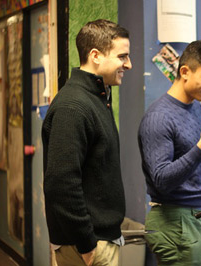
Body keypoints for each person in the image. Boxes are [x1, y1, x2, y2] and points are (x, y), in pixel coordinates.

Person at [138, 40, 201, 266]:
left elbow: (199, 163)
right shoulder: (159, 117)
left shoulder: (196, 108)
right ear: (184, 72)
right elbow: (162, 179)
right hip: (171, 220)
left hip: (197, 217)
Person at [42, 19, 132, 266]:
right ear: (96, 55)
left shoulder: (97, 96)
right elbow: (61, 183)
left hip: (101, 241)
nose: (129, 64)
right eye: (122, 56)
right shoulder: (74, 106)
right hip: (88, 246)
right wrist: (87, 244)